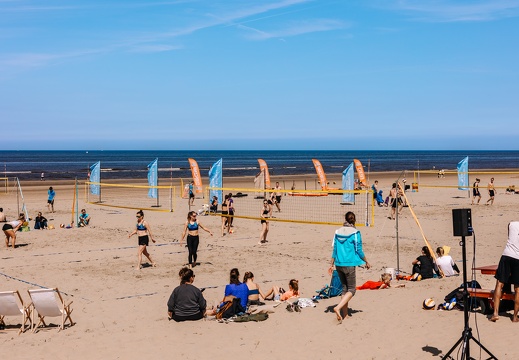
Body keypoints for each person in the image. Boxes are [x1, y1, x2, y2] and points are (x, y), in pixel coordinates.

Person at [328, 211, 371, 323]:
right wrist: (366, 261)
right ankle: (338, 308)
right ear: (354, 220)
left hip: (338, 264)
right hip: (349, 264)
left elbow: (335, 250)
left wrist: (331, 264)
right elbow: (359, 250)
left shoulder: (338, 232)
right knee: (352, 289)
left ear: (345, 219)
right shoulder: (355, 233)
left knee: (344, 289)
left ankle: (345, 315)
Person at [490, 221, 519, 322]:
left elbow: (509, 236)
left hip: (507, 255)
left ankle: (495, 313)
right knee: (517, 289)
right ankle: (515, 316)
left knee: (499, 284)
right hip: (518, 258)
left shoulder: (512, 224)